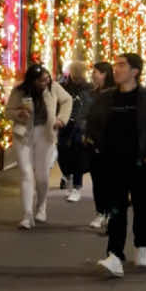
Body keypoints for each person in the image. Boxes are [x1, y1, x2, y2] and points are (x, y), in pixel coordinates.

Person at [86, 53, 146, 277]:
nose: (116, 69)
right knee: (116, 209)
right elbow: (92, 123)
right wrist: (95, 146)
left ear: (135, 71)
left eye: (121, 65)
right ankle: (115, 254)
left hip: (140, 162)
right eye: (115, 65)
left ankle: (142, 246)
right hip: (113, 163)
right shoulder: (106, 98)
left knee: (141, 205)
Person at [6, 63, 72, 229]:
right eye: (41, 81)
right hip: (24, 134)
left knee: (42, 175)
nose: (45, 82)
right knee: (26, 173)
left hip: (46, 134)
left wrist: (61, 119)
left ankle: (41, 206)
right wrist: (18, 113)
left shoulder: (54, 88)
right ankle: (27, 215)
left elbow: (67, 100)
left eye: (47, 79)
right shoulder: (20, 91)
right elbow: (8, 111)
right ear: (32, 81)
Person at [56, 61, 93, 202]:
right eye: (74, 73)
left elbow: (90, 106)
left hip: (81, 126)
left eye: (79, 74)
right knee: (62, 152)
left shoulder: (89, 88)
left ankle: (77, 187)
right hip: (64, 123)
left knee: (78, 153)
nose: (77, 77)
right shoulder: (62, 86)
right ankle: (67, 174)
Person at [86, 61, 115, 231]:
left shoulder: (115, 94)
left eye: (96, 72)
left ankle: (110, 212)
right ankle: (100, 211)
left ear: (105, 74)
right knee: (97, 179)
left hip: (111, 143)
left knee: (110, 179)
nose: (93, 75)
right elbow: (87, 116)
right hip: (93, 142)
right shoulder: (92, 94)